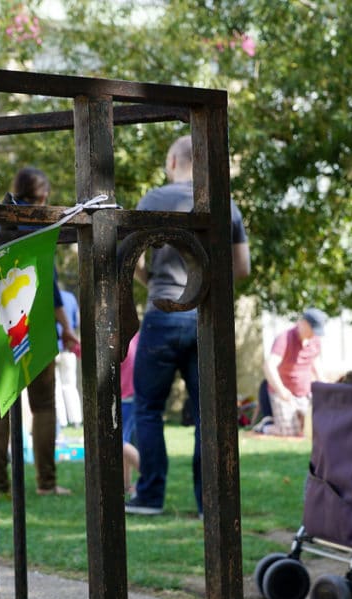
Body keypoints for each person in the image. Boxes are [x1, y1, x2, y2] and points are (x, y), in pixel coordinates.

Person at [126, 135, 251, 517]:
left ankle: (149, 497)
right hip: (205, 318)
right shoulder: (224, 203)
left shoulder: (151, 201)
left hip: (162, 314)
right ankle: (209, 502)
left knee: (148, 408)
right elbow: (242, 269)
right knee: (207, 412)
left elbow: (130, 259)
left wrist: (156, 284)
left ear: (172, 161)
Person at [0, 167, 80, 496]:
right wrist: (67, 329)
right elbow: (52, 288)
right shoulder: (40, 226)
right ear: (42, 196)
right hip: (37, 322)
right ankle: (46, 483)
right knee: (42, 406)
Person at [260, 308, 328, 438]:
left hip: (305, 393)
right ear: (303, 323)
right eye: (312, 329)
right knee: (290, 432)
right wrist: (281, 391)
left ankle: (286, 422)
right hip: (284, 394)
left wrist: (323, 383)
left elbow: (315, 363)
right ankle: (266, 427)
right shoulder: (284, 338)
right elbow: (269, 366)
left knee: (311, 429)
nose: (314, 334)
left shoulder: (315, 340)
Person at [54, 286, 83, 429]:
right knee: (70, 385)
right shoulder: (71, 297)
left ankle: (62, 421)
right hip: (69, 348)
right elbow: (76, 322)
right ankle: (76, 419)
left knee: (57, 387)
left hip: (53, 347)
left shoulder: (49, 294)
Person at [121, 332, 140, 495]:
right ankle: (125, 484)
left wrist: (75, 348)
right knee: (124, 440)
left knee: (117, 442)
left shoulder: (113, 335)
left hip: (124, 395)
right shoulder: (134, 334)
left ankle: (147, 474)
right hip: (133, 394)